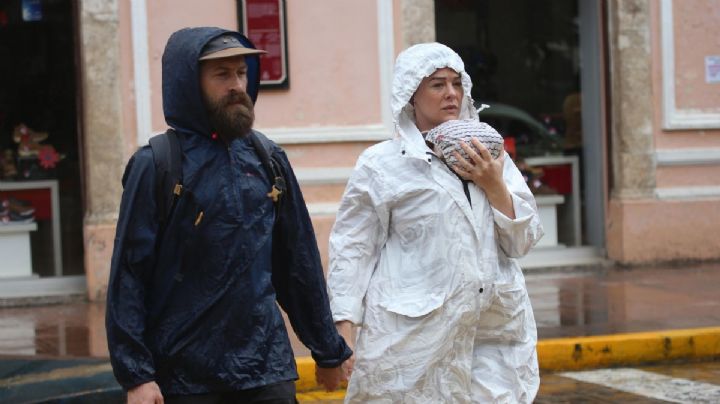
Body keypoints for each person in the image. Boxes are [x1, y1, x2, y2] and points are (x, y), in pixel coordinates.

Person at [106, 27, 352, 403]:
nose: (237, 85)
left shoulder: (268, 160)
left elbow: (298, 265)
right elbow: (129, 277)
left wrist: (328, 349)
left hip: (265, 369)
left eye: (240, 73)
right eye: (221, 75)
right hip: (184, 378)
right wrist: (137, 375)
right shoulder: (156, 165)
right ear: (189, 83)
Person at [327, 42, 544, 403]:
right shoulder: (382, 164)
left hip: (490, 331)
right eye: (437, 85)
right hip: (411, 337)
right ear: (411, 93)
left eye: (457, 84)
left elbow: (522, 242)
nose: (451, 94)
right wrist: (343, 327)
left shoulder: (489, 155)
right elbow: (353, 248)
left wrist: (494, 185)